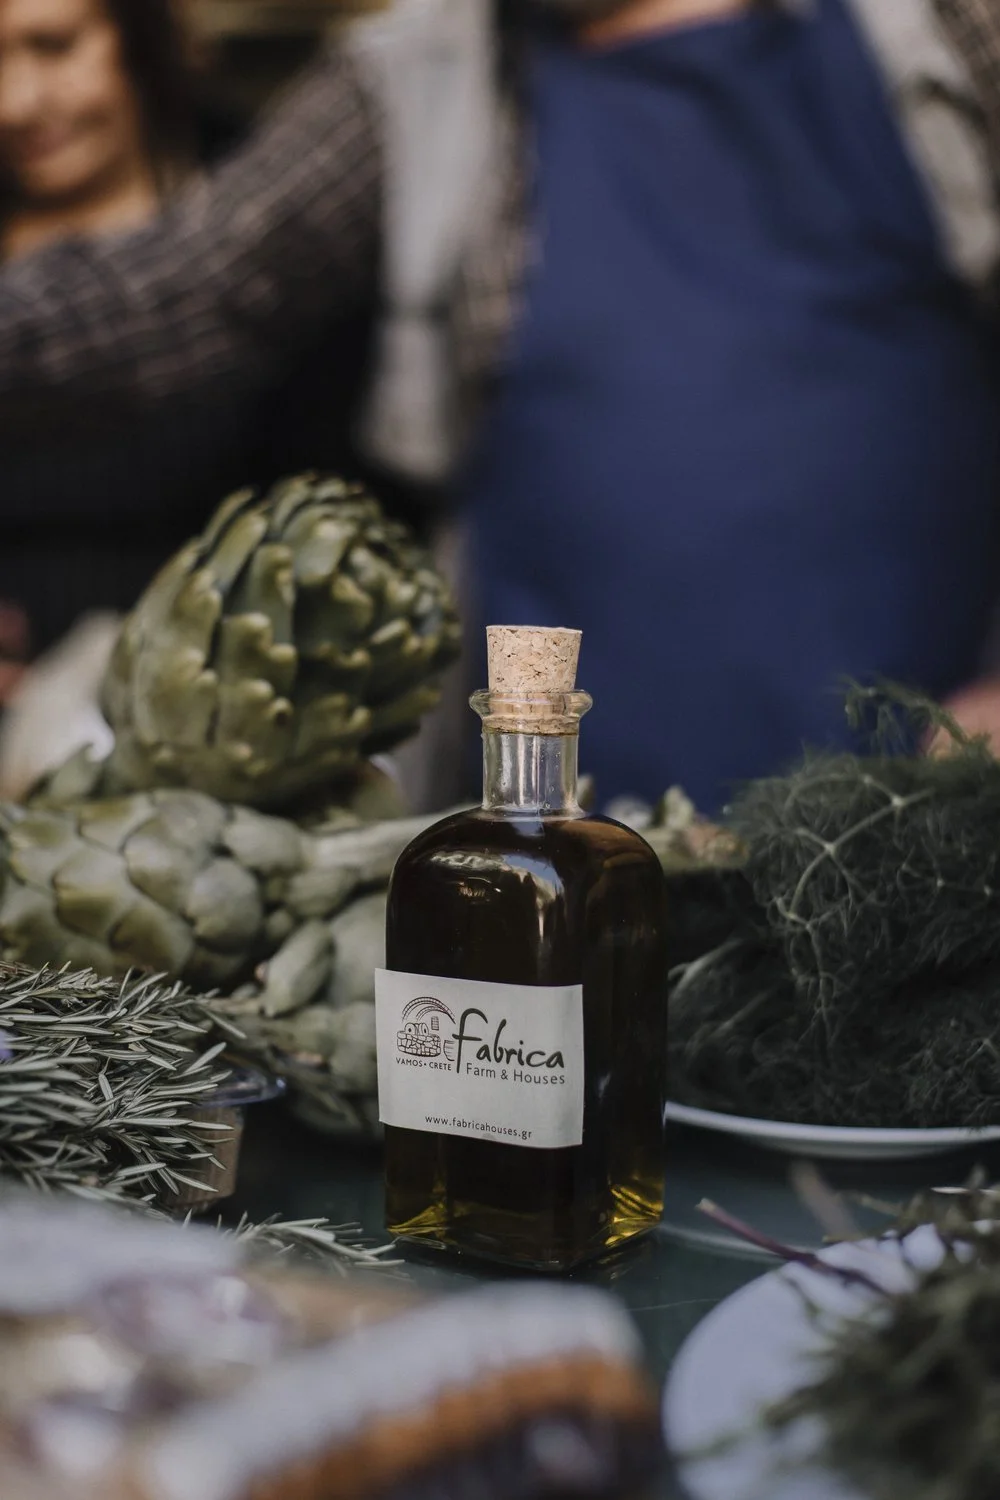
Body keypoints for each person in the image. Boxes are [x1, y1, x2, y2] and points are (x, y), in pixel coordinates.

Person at [0, 0, 996, 809]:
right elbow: (185, 289)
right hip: (565, 812)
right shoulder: (420, 82)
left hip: (924, 800)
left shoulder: (931, 28)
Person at [0, 0, 371, 662]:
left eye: (55, 47)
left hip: (218, 710)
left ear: (140, 34)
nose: (17, 104)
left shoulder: (268, 229)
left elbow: (337, 528)